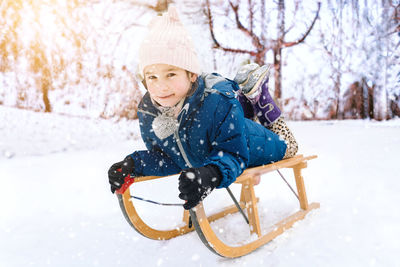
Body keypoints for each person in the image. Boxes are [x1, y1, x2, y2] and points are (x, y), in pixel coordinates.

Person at [108, 7, 298, 210]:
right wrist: (134, 164)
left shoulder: (216, 102)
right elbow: (169, 157)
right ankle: (242, 101)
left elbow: (234, 154)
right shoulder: (149, 111)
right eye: (152, 77)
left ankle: (259, 98)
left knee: (289, 146)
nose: (160, 86)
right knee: (229, 114)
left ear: (192, 75)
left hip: (253, 144)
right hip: (223, 129)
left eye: (170, 74)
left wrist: (212, 173)